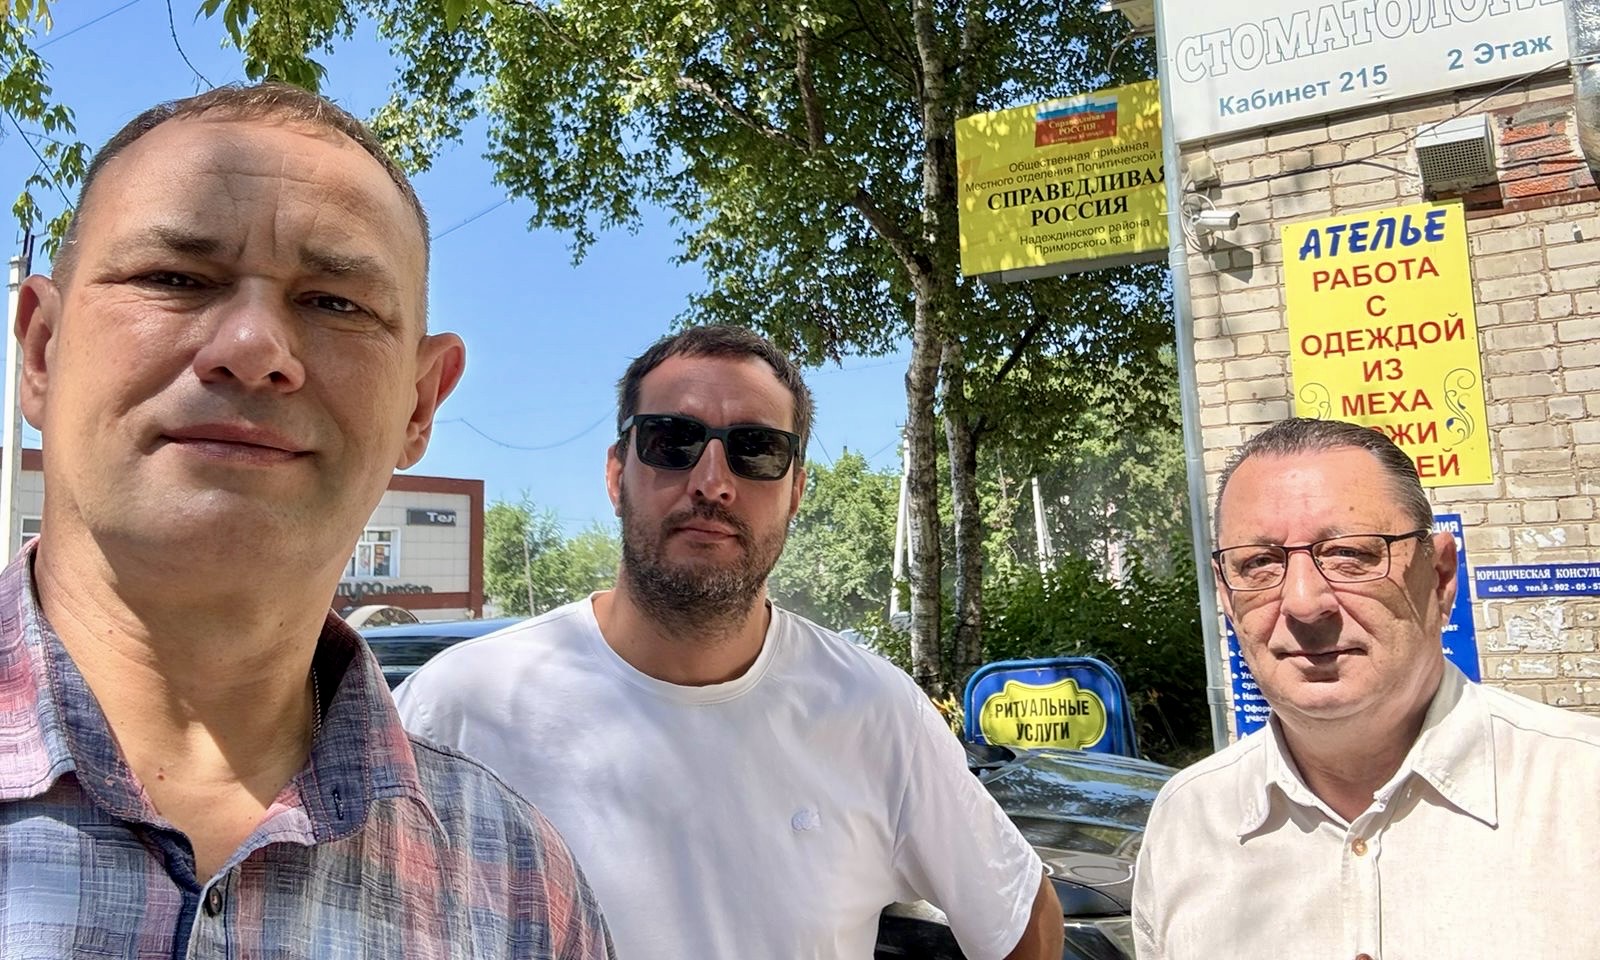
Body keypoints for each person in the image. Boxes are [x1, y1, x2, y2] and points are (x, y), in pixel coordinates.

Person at [3, 84, 612, 958]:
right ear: (41, 351)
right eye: (176, 278)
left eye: (334, 303)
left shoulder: (523, 893)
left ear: (420, 403)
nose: (253, 348)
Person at [395, 325, 1063, 959]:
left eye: (757, 450)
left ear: (796, 491)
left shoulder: (875, 711)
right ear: (616, 475)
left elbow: (1021, 918)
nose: (712, 482)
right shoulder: (459, 709)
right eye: (671, 440)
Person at [1132, 417, 1600, 959]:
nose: (1304, 603)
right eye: (1259, 563)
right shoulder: (1189, 822)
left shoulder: (1582, 792)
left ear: (1440, 578)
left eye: (1350, 555)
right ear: (1226, 597)